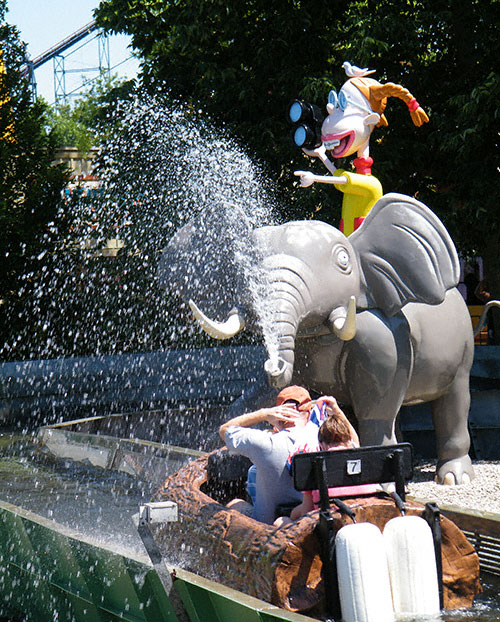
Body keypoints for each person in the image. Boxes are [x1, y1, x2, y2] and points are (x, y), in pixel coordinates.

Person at [218, 385, 313, 524]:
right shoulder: (324, 440)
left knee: (236, 503)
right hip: (309, 522)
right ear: (309, 414)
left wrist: (262, 414)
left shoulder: (266, 443)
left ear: (278, 416)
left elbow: (224, 430)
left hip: (265, 527)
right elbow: (353, 443)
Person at [289, 406, 379, 521]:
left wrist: (292, 515)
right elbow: (355, 442)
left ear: (321, 445)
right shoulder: (365, 462)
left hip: (331, 527)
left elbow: (306, 515)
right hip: (364, 520)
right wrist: (336, 409)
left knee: (280, 521)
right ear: (349, 440)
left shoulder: (313, 468)